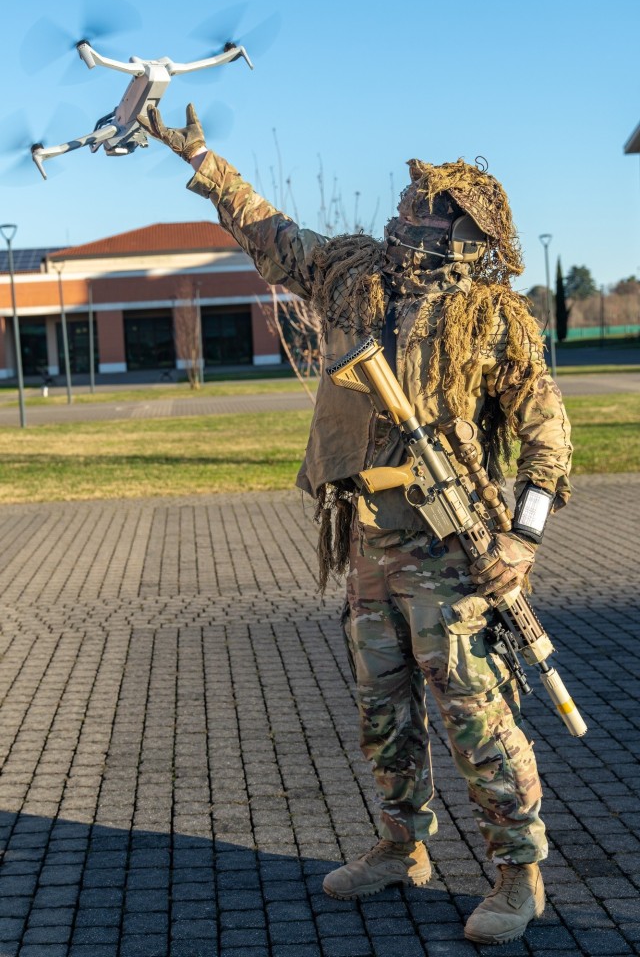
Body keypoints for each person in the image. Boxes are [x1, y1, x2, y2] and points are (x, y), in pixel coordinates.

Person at [138, 103, 572, 945]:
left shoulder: (494, 317)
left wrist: (523, 537)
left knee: (473, 707)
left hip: (454, 548)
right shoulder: (352, 275)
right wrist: (199, 155)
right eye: (410, 199)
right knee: (384, 704)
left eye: (427, 204)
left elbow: (548, 432)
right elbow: (270, 231)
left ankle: (518, 873)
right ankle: (401, 845)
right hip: (373, 535)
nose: (407, 207)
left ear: (464, 228)